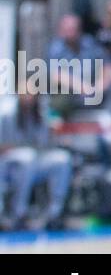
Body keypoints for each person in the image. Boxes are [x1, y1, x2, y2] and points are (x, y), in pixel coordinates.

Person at [0, 93, 74, 231]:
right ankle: (18, 214)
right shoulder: (6, 111)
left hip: (34, 161)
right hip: (6, 164)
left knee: (62, 159)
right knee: (26, 157)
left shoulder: (41, 110)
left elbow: (45, 144)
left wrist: (54, 132)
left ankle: (54, 214)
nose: (29, 96)